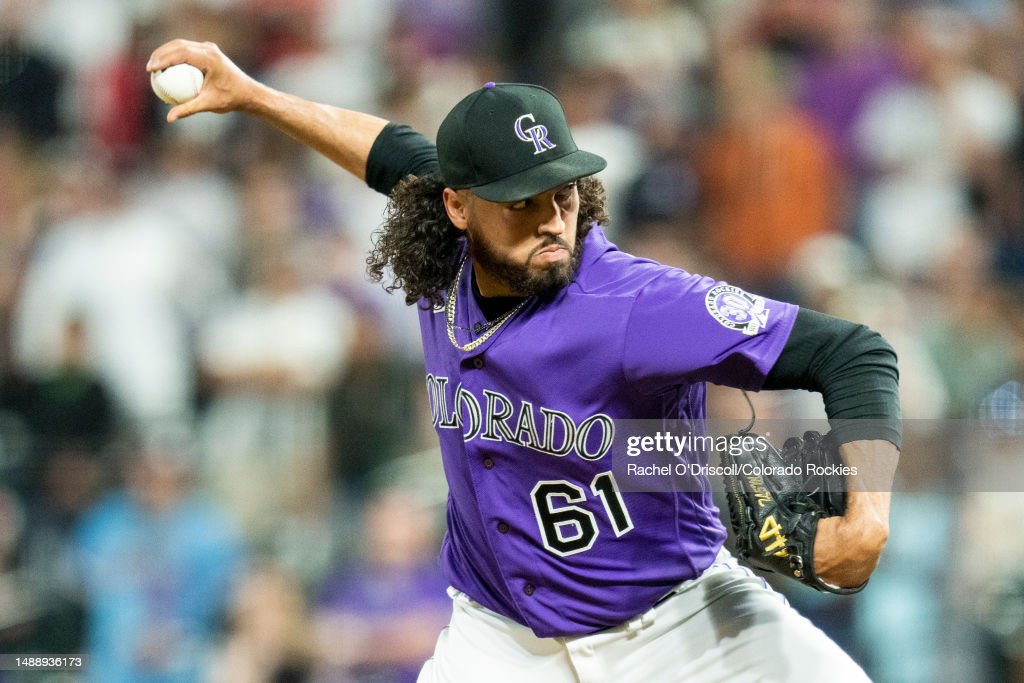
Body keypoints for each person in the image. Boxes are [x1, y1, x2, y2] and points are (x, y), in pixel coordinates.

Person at [146, 39, 901, 682]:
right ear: (457, 205)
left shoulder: (638, 305)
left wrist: (866, 514)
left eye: (561, 193)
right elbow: (383, 150)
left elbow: (852, 351)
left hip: (681, 625)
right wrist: (251, 95)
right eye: (520, 201)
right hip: (501, 640)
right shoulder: (441, 245)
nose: (551, 220)